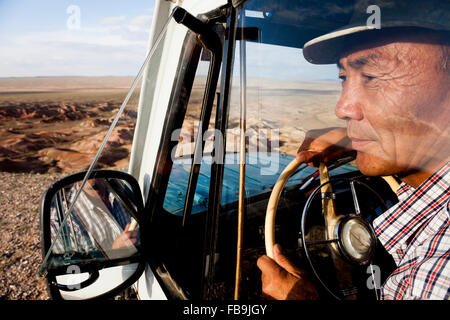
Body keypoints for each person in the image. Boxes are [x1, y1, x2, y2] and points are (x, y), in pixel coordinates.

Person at [257, 0, 449, 300]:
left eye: (371, 77)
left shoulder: (436, 272)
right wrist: (356, 143)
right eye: (343, 78)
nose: (342, 108)